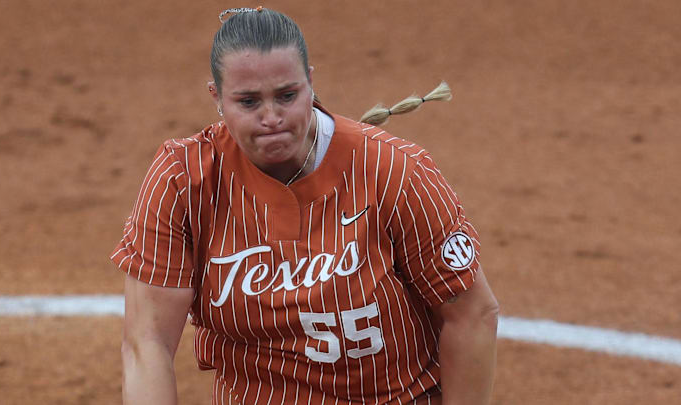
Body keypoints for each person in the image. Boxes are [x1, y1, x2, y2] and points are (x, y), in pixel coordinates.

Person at [110, 7, 499, 405]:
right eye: (247, 102)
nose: (271, 117)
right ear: (217, 97)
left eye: (287, 95)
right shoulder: (183, 180)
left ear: (311, 82)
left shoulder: (393, 171)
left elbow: (471, 314)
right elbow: (148, 340)